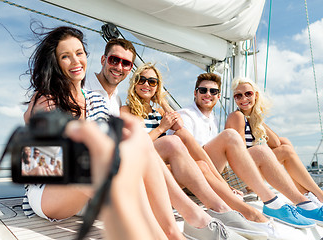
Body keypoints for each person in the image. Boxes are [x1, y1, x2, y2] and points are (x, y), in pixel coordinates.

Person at [22, 26, 242, 240]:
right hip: (51, 192)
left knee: (137, 144)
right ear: (56, 63)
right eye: (65, 56)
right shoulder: (48, 100)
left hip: (90, 194)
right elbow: (35, 165)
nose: (75, 61)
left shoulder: (96, 100)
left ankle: (176, 230)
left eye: (79, 53)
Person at [85, 39, 249, 239]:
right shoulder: (124, 109)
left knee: (198, 161)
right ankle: (215, 212)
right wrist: (162, 127)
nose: (147, 84)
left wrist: (162, 100)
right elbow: (137, 145)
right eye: (142, 80)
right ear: (134, 82)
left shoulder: (152, 110)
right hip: (135, 170)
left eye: (152, 82)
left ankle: (222, 207)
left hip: (158, 170)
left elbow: (182, 131)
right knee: (173, 142)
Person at [168, 72, 320, 228]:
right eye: (203, 90)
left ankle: (306, 201)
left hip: (215, 174)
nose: (208, 94)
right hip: (195, 179)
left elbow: (274, 142)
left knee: (282, 144)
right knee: (241, 141)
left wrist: (256, 118)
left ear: (219, 96)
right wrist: (224, 185)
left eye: (213, 91)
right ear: (195, 93)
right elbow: (185, 155)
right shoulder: (186, 115)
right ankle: (288, 203)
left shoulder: (211, 119)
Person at [226, 76, 323, 223]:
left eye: (248, 94)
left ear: (256, 95)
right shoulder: (237, 116)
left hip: (249, 172)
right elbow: (238, 155)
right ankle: (313, 199)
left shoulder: (249, 118)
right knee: (285, 151)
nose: (243, 98)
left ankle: (310, 196)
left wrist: (256, 118)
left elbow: (276, 142)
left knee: (285, 143)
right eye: (238, 95)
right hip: (241, 176)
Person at [84, 38, 136, 117]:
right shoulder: (81, 89)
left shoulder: (117, 101)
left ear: (130, 70)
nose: (119, 67)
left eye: (126, 63)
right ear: (103, 60)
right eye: (114, 60)